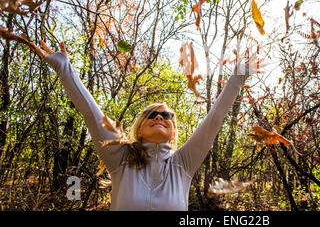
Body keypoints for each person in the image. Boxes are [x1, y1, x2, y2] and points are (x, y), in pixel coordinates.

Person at [32, 40, 261, 211]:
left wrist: (237, 78)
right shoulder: (119, 159)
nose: (159, 117)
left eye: (166, 115)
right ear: (139, 129)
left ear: (173, 133)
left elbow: (214, 120)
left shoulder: (183, 164)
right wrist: (64, 69)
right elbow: (92, 115)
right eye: (152, 114)